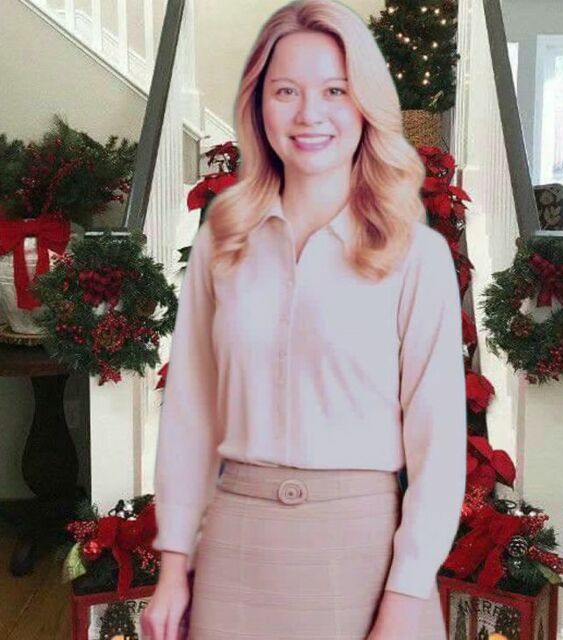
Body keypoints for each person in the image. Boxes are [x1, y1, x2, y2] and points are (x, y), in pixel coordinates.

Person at [141, 1, 466, 638]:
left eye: (335, 91)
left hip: (366, 556)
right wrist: (173, 567)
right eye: (286, 90)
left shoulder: (417, 255)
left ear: (364, 105)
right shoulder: (222, 240)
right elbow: (190, 414)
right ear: (258, 105)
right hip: (236, 550)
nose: (309, 114)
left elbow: (439, 443)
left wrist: (404, 601)